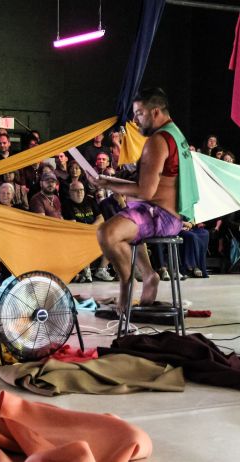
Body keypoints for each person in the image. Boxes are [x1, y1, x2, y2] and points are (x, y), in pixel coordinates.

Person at [93, 88, 189, 314]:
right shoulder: (176, 133)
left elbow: (146, 191)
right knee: (124, 211)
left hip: (163, 216)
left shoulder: (158, 141)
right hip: (168, 212)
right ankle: (148, 275)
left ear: (155, 112)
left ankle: (127, 285)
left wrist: (106, 183)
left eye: (139, 113)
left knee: (106, 233)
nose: (135, 120)